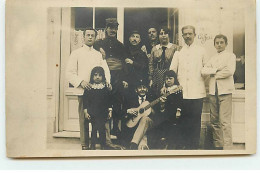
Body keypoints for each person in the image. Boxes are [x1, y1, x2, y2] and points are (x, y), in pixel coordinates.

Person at [66, 27, 111, 150]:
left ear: (95, 38)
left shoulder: (98, 54)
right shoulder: (76, 53)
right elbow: (69, 73)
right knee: (84, 118)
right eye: (88, 35)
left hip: (99, 93)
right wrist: (81, 82)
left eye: (92, 35)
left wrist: (107, 82)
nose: (90, 37)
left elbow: (105, 70)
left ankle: (103, 143)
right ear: (83, 37)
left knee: (100, 119)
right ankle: (85, 144)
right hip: (83, 92)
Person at [169, 25, 208, 149]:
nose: (187, 36)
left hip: (197, 92)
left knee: (195, 121)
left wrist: (198, 82)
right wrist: (176, 87)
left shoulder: (202, 51)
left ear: (194, 35)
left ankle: (193, 148)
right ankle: (183, 147)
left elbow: (206, 70)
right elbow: (171, 72)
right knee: (183, 121)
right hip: (182, 93)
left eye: (190, 33)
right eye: (185, 34)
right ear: (182, 36)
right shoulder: (178, 53)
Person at [126, 71, 183, 150]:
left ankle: (134, 145)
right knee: (144, 119)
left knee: (145, 118)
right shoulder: (161, 91)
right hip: (137, 124)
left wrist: (161, 105)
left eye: (170, 79)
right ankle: (135, 144)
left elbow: (160, 114)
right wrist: (129, 111)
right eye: (166, 79)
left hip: (157, 123)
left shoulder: (160, 95)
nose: (168, 81)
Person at [94, 18, 129, 138]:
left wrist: (124, 79)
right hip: (104, 76)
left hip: (117, 76)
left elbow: (124, 64)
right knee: (104, 101)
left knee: (117, 101)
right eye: (110, 27)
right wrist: (99, 49)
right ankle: (103, 132)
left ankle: (116, 130)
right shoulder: (98, 43)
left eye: (115, 28)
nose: (112, 30)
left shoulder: (120, 45)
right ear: (106, 29)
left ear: (117, 30)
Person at [201, 34, 236, 150]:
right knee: (214, 121)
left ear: (226, 44)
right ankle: (218, 146)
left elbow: (229, 71)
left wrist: (213, 74)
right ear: (214, 45)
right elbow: (203, 70)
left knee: (225, 122)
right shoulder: (212, 58)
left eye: (222, 42)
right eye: (217, 43)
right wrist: (216, 70)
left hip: (225, 92)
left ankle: (228, 148)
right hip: (212, 92)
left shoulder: (231, 56)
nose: (219, 45)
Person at [83, 66, 112, 150]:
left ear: (103, 76)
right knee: (94, 129)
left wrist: (110, 111)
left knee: (102, 129)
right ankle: (93, 145)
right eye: (95, 75)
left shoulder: (105, 88)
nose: (97, 77)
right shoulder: (89, 88)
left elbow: (109, 100)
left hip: (103, 112)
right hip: (93, 112)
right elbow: (85, 101)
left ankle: (103, 145)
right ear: (92, 76)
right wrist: (86, 112)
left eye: (100, 75)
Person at [121, 79, 152, 149]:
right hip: (134, 126)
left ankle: (134, 143)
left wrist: (152, 110)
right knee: (143, 125)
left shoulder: (152, 98)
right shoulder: (130, 99)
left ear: (147, 89)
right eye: (140, 87)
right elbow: (122, 113)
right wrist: (128, 111)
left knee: (145, 118)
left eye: (144, 87)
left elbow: (158, 114)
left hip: (150, 124)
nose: (142, 89)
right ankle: (142, 146)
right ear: (136, 90)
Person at [149, 26, 179, 98]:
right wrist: (151, 79)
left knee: (169, 95)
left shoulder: (175, 47)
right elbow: (151, 64)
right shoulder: (155, 48)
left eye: (165, 33)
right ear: (158, 36)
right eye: (161, 34)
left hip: (169, 75)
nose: (163, 35)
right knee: (157, 95)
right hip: (157, 75)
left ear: (169, 35)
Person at [125, 30, 149, 95]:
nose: (134, 39)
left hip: (138, 81)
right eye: (133, 36)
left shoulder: (142, 53)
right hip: (127, 81)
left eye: (137, 37)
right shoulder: (125, 51)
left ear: (139, 40)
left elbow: (144, 66)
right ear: (129, 39)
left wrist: (132, 62)